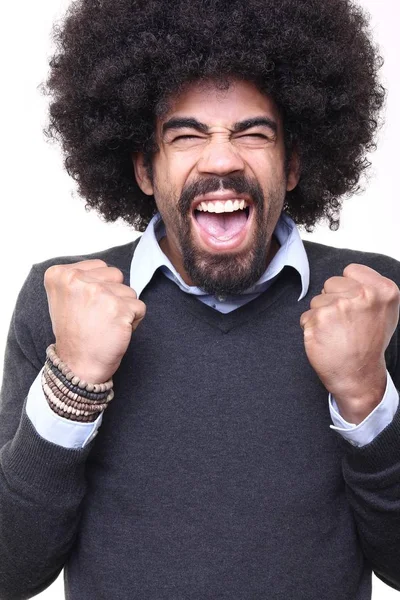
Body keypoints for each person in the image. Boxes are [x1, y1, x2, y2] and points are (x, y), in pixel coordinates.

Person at [0, 0, 399, 598]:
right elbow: (12, 571)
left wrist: (367, 396)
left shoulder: (375, 299)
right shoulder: (62, 297)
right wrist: (74, 384)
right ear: (143, 169)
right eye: (185, 135)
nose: (220, 159)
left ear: (291, 165)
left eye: (253, 133)